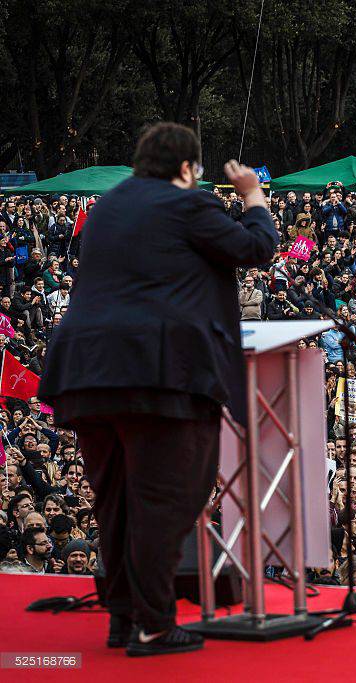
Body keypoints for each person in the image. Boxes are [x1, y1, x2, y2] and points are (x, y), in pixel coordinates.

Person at [38, 123, 277, 657]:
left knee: (115, 497)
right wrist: (252, 196)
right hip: (160, 375)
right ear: (188, 168)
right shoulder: (188, 206)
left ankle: (123, 618)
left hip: (88, 373)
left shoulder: (106, 206)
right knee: (165, 499)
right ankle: (152, 624)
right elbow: (257, 246)